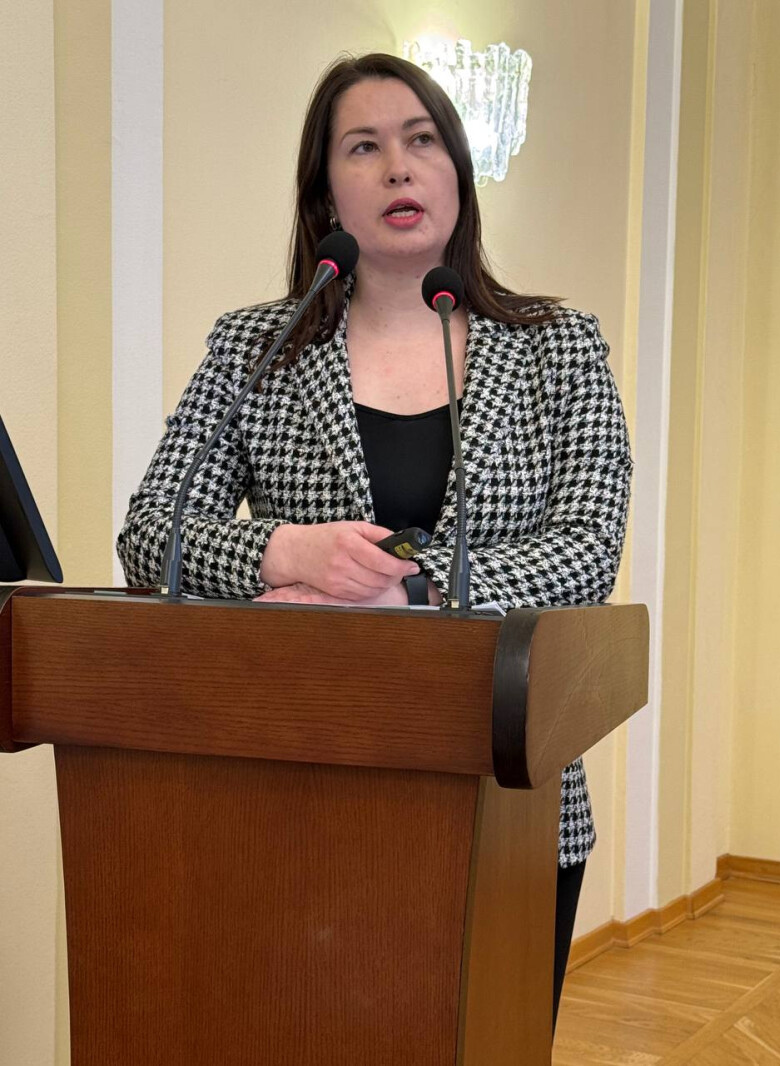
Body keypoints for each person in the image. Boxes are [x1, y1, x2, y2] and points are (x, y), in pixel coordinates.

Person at [117, 52, 632, 1033]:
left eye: (421, 139)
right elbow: (151, 534)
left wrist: (411, 588)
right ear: (325, 195)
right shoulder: (256, 348)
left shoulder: (557, 347)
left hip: (505, 793)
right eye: (363, 147)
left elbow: (585, 551)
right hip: (298, 784)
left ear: (457, 174)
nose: (398, 166)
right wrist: (284, 553)